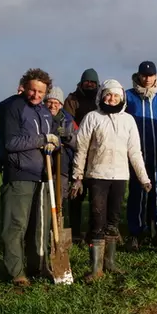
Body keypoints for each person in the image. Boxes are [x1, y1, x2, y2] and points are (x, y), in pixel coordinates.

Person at [71, 79, 152, 282]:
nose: (111, 98)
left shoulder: (128, 121)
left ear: (121, 98)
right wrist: (78, 176)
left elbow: (134, 151)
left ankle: (110, 263)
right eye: (108, 94)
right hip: (97, 175)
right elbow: (81, 148)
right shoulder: (92, 117)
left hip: (119, 176)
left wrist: (144, 178)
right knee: (97, 219)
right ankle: (95, 269)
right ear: (101, 96)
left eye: (115, 95)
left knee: (113, 221)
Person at [0, 68, 60, 286]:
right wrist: (42, 138)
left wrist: (54, 141)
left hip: (43, 176)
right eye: (33, 90)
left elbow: (54, 137)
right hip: (19, 174)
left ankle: (39, 267)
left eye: (41, 92)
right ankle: (17, 273)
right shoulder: (14, 108)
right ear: (24, 87)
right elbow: (11, 143)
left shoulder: (44, 112)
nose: (36, 95)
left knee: (39, 227)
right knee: (16, 225)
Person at [125, 61, 157, 252]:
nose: (147, 79)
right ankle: (136, 232)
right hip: (137, 153)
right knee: (137, 193)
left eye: (151, 75)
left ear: (156, 76)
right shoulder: (129, 96)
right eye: (144, 76)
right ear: (138, 76)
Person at [63, 68, 100, 244]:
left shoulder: (101, 98)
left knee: (96, 195)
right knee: (76, 195)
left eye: (93, 81)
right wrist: (82, 141)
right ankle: (76, 232)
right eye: (87, 81)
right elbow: (68, 124)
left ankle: (94, 231)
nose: (90, 84)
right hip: (76, 151)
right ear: (81, 82)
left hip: (97, 154)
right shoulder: (72, 100)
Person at [45, 86, 77, 202]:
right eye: (49, 102)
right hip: (44, 164)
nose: (52, 106)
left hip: (62, 165)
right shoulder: (40, 117)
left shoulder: (68, 120)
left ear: (61, 105)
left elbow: (78, 143)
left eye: (56, 103)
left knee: (60, 196)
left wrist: (68, 137)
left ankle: (60, 218)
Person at [0, 78, 26, 174]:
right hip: (11, 160)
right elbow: (0, 135)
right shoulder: (8, 108)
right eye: (19, 91)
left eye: (22, 91)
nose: (19, 94)